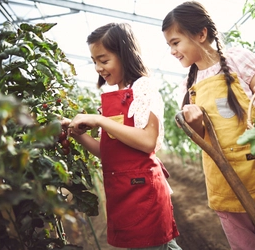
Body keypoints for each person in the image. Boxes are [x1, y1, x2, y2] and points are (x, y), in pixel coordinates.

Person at [162, 1, 255, 249]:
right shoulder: (187, 86)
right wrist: (196, 125)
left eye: (175, 42)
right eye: (169, 45)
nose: (172, 51)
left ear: (201, 34)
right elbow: (203, 140)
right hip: (223, 181)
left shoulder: (237, 60)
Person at [62, 23, 181, 250]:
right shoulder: (113, 98)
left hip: (143, 193)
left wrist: (99, 120)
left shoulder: (143, 88)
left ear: (124, 55)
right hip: (121, 191)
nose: (98, 67)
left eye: (104, 60)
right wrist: (75, 134)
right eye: (94, 61)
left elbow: (147, 142)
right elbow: (109, 154)